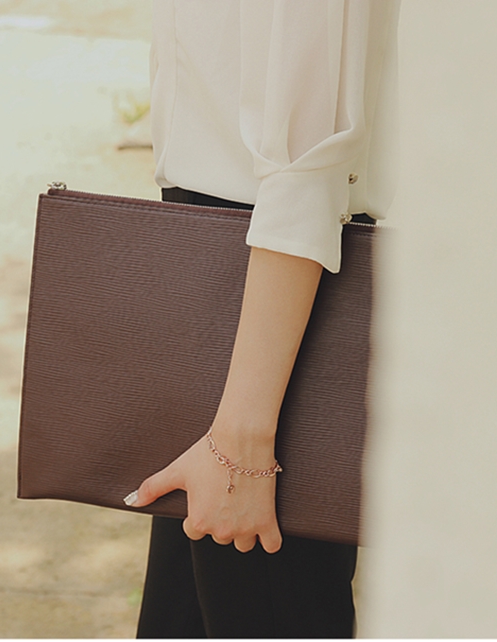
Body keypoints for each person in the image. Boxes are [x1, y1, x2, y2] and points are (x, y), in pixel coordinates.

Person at [122, 1, 401, 638]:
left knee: (271, 610)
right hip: (220, 269)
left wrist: (242, 443)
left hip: (276, 292)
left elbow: (309, 168)